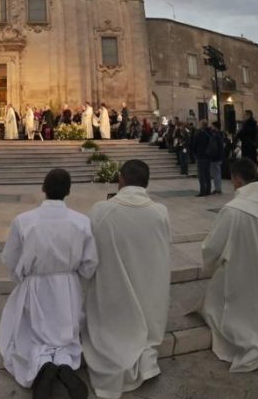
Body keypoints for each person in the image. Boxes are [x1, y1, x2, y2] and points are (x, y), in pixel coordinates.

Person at [0, 169, 97, 399]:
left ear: (43, 188)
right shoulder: (81, 222)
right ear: (68, 191)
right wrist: (74, 274)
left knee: (31, 334)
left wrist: (22, 277)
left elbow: (9, 258)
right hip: (67, 287)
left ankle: (43, 365)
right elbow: (90, 263)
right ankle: (64, 364)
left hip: (35, 286)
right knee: (65, 333)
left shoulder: (24, 220)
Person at [82, 160, 170, 397]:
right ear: (146, 182)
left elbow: (87, 253)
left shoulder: (101, 210)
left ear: (121, 179)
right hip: (147, 285)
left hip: (114, 291)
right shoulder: (160, 212)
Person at [200, 159, 258, 372]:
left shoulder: (233, 209)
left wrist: (209, 263)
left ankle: (242, 338)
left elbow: (213, 247)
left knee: (216, 300)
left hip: (239, 272)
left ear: (236, 179)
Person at [191, 120, 212, 197]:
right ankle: (208, 190)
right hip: (208, 155)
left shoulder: (199, 133)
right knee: (207, 173)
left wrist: (195, 153)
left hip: (200, 156)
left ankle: (202, 191)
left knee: (201, 174)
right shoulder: (210, 132)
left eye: (200, 124)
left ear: (202, 125)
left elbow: (194, 144)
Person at [209, 122, 225, 195]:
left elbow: (214, 147)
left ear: (215, 127)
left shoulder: (216, 135)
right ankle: (217, 188)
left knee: (216, 173)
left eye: (212, 126)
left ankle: (218, 189)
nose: (211, 128)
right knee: (216, 173)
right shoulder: (220, 134)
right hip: (219, 156)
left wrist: (212, 154)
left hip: (215, 157)